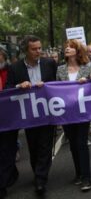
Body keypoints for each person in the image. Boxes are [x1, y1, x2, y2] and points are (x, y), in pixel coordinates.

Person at [6, 35, 57, 196]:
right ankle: (37, 172)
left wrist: (48, 85)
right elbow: (8, 89)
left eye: (39, 48)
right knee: (34, 146)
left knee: (45, 146)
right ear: (25, 51)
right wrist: (18, 86)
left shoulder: (50, 64)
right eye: (34, 49)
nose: (38, 51)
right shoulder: (15, 68)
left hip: (48, 112)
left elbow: (58, 85)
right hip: (29, 115)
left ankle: (41, 180)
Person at [56, 39, 91, 192]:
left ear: (78, 51)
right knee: (72, 144)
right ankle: (78, 174)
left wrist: (90, 78)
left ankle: (86, 178)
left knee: (81, 143)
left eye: (71, 47)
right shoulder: (60, 70)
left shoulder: (87, 67)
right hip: (67, 112)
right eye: (66, 46)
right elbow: (56, 89)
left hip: (83, 112)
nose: (67, 48)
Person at [0, 46, 18, 199]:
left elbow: (13, 87)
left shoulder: (11, 69)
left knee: (8, 150)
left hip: (8, 117)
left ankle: (4, 180)